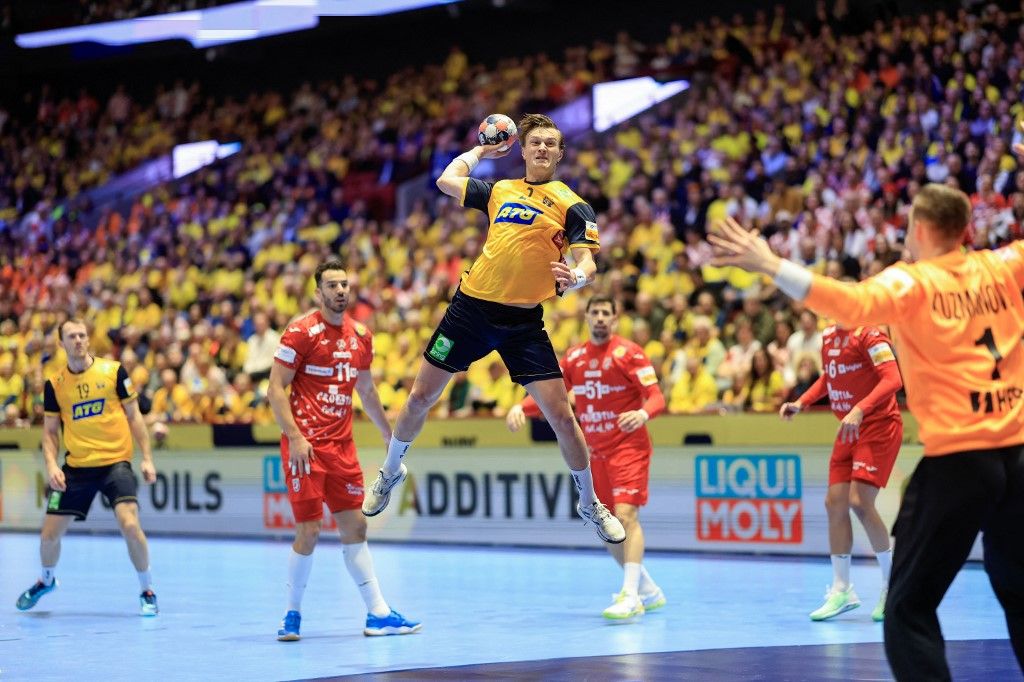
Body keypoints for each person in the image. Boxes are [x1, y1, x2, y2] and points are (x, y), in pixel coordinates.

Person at [709, 184, 1024, 680]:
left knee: (907, 609)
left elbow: (851, 304)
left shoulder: (914, 283)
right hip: (1018, 457)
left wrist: (770, 264)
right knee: (1020, 594)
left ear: (919, 231)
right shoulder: (1004, 265)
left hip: (960, 460)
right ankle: (844, 585)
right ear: (966, 228)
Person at [362, 113, 625, 545]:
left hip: (523, 321)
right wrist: (481, 151)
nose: (541, 148)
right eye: (534, 142)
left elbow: (589, 263)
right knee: (421, 396)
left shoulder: (572, 204)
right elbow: (447, 180)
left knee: (561, 415)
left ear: (560, 153)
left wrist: (576, 277)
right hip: (471, 310)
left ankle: (589, 503)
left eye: (550, 143)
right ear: (521, 150)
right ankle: (391, 470)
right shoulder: (499, 190)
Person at [268, 260, 420, 641]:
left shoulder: (361, 336)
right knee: (310, 530)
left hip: (342, 449)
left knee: (356, 526)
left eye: (344, 285)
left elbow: (366, 392)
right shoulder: (300, 333)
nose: (340, 291)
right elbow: (275, 389)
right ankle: (292, 615)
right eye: (332, 285)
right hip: (305, 449)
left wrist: (389, 435)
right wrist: (296, 436)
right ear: (317, 292)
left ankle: (378, 614)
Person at [506, 296, 666, 619]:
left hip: (629, 448)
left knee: (626, 516)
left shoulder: (630, 353)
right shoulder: (576, 357)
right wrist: (520, 407)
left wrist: (642, 413)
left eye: (607, 313)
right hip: (595, 454)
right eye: (595, 313)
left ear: (616, 320)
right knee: (606, 525)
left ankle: (631, 595)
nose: (601, 318)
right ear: (587, 318)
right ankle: (647, 588)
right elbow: (552, 396)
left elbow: (657, 397)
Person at [15, 319, 159, 616]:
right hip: (77, 467)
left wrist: (146, 457)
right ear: (62, 343)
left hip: (115, 463)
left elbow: (134, 416)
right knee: (48, 536)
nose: (78, 340)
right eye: (71, 336)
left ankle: (147, 590)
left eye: (82, 335)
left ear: (88, 340)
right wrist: (52, 465)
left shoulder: (113, 371)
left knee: (130, 524)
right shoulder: (55, 385)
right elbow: (50, 432)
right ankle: (46, 580)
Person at [779, 321, 903, 622]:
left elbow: (893, 379)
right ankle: (842, 590)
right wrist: (802, 401)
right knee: (834, 502)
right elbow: (829, 379)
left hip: (877, 426)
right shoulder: (829, 336)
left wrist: (860, 408)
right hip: (848, 427)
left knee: (859, 501)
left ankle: (894, 586)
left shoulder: (870, 334)